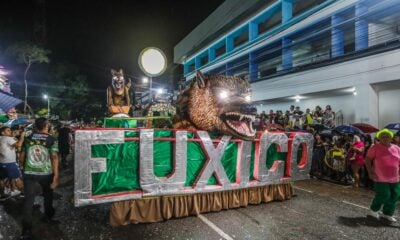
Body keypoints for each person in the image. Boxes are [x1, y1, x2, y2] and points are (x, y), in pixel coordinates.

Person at [19, 118, 59, 239]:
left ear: (36, 126)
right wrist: (56, 176)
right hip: (46, 173)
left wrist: (23, 169)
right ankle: (48, 217)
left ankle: (26, 230)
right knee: (48, 196)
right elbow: (54, 157)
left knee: (29, 200)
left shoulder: (28, 138)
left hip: (29, 172)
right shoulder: (51, 139)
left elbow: (21, 157)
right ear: (47, 126)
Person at [365, 128, 400, 222]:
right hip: (380, 178)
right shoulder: (375, 147)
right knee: (384, 194)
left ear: (391, 138)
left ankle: (387, 213)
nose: (385, 138)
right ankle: (373, 210)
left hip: (395, 178)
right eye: (382, 137)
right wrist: (370, 172)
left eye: (387, 137)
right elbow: (367, 159)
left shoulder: (396, 148)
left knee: (395, 195)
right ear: (379, 138)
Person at [0, 126, 25, 199]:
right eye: (8, 130)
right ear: (3, 132)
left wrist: (13, 136)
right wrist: (22, 136)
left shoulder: (1, 138)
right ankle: (24, 193)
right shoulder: (8, 138)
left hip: (1, 162)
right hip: (10, 163)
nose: (10, 131)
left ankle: (2, 194)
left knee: (1, 179)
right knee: (17, 178)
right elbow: (18, 145)